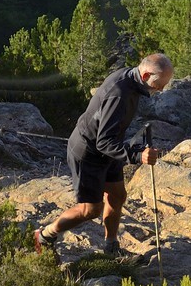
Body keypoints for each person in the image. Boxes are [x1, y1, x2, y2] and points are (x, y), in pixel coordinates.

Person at [34, 52, 173, 256]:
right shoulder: (119, 93)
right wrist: (137, 156)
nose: (161, 89)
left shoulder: (131, 79)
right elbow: (103, 142)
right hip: (89, 153)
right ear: (144, 76)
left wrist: (133, 151)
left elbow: (109, 138)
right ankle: (45, 235)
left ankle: (111, 247)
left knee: (117, 195)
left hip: (109, 148)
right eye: (159, 83)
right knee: (90, 210)